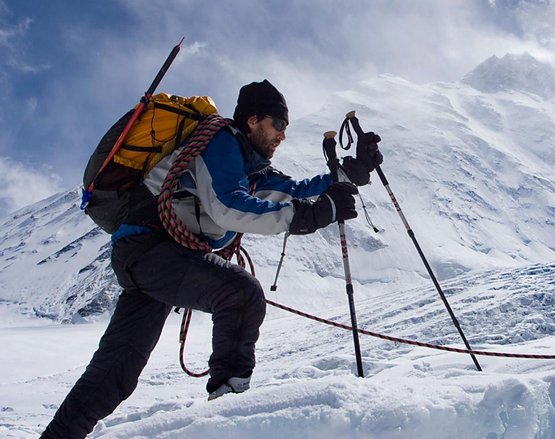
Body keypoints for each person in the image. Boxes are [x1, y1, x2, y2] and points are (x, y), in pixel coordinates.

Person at [41, 79, 382, 438]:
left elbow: (297, 190)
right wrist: (307, 216)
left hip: (151, 258)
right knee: (240, 294)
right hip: (151, 249)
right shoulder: (221, 144)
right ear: (253, 120)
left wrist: (347, 174)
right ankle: (228, 416)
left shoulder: (252, 167)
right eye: (278, 124)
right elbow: (228, 206)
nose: (282, 135)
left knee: (113, 375)